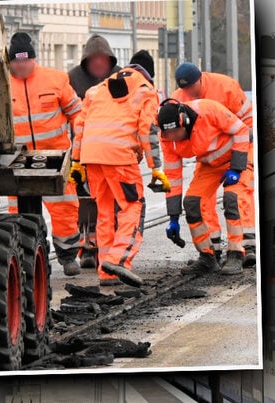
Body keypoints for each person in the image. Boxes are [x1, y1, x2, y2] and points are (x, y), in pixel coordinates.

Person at [0, 32, 84, 275]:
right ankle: (26, 257)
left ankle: (68, 256)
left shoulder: (56, 80)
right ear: (10, 62)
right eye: (16, 61)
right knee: (19, 213)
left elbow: (78, 114)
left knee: (65, 207)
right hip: (16, 161)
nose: (22, 65)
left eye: (26, 60)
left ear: (33, 59)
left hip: (56, 158)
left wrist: (78, 147)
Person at [71, 54, 169, 287]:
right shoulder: (146, 90)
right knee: (132, 207)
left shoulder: (98, 89)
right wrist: (156, 168)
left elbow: (80, 125)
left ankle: (107, 271)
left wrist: (76, 161)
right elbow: (148, 130)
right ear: (149, 73)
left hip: (91, 156)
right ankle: (119, 260)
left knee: (105, 212)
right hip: (120, 155)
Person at [172, 62, 256, 267]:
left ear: (201, 78)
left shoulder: (225, 87)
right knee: (197, 201)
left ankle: (245, 246)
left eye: (192, 87)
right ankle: (212, 249)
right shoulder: (177, 102)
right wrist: (173, 214)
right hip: (209, 160)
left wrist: (238, 165)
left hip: (239, 149)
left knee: (235, 195)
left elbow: (248, 124)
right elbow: (173, 169)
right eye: (185, 89)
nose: (189, 92)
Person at [158, 98, 253, 275]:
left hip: (239, 157)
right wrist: (173, 217)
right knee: (192, 202)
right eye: (168, 134)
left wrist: (237, 168)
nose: (173, 138)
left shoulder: (208, 110)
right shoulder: (167, 139)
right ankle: (207, 257)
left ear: (184, 121)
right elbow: (173, 176)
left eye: (176, 132)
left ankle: (236, 254)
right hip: (210, 164)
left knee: (232, 198)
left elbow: (241, 131)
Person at [68, 35, 121, 270]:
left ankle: (106, 248)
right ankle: (86, 248)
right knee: (84, 200)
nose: (99, 64)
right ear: (86, 62)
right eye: (94, 60)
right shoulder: (72, 79)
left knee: (110, 201)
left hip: (113, 149)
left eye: (103, 59)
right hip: (82, 149)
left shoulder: (121, 77)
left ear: (110, 60)